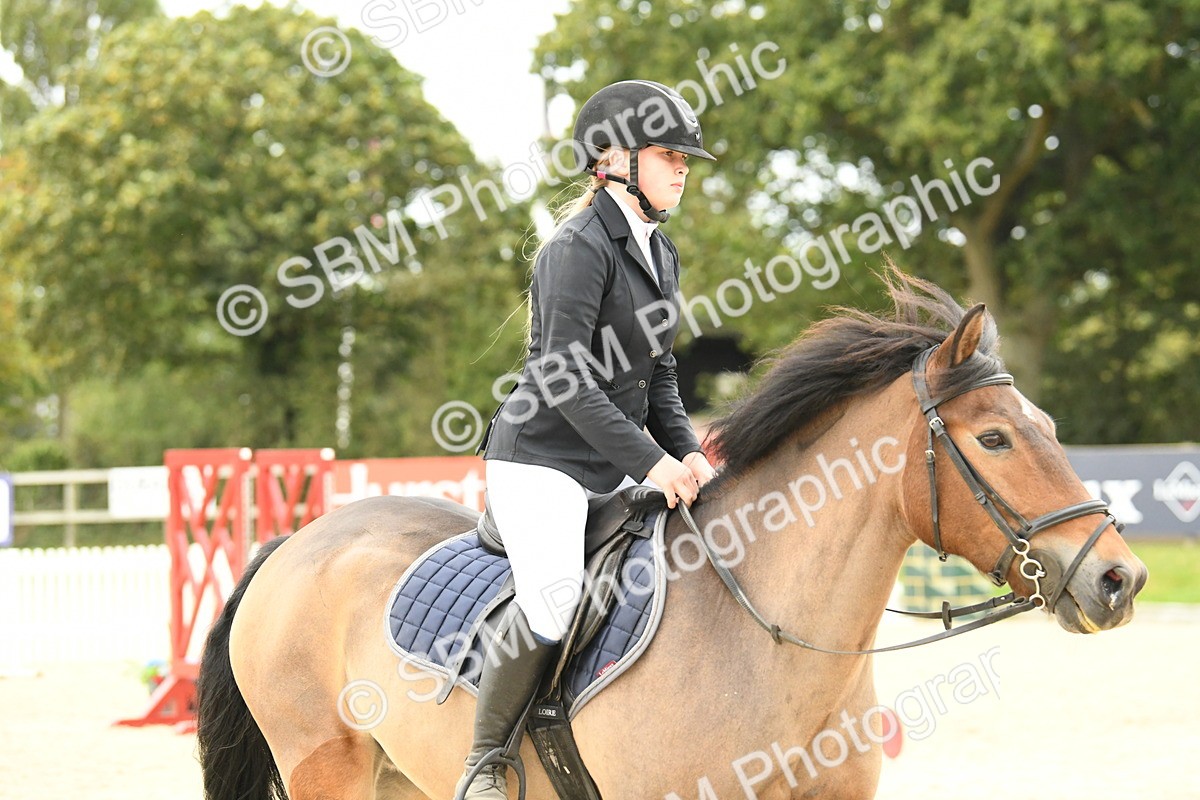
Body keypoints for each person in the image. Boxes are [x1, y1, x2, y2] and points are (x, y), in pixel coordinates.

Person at [456, 80, 719, 799]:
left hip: (609, 459)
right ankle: (485, 762)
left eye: (684, 159)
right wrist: (652, 463)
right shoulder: (575, 248)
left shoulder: (661, 252)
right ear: (614, 160)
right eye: (668, 156)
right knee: (554, 595)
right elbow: (563, 376)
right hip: (542, 459)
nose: (683, 169)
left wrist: (689, 451)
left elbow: (660, 376)